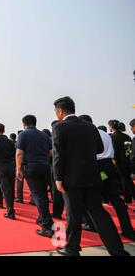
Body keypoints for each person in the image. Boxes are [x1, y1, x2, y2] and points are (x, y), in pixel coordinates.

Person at [52, 96, 129, 256]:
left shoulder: (60, 127)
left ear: (60, 111)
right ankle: (118, 251)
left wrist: (58, 178)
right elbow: (99, 148)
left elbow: (59, 156)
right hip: (92, 176)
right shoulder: (90, 127)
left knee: (73, 214)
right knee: (99, 213)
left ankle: (72, 248)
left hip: (71, 178)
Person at [79, 115, 135, 241]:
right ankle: (128, 230)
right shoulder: (105, 134)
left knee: (90, 199)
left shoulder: (87, 134)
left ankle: (94, 225)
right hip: (109, 166)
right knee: (116, 200)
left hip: (97, 168)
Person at [16, 115, 54, 237]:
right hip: (45, 166)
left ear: (24, 123)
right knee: (43, 195)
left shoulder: (23, 135)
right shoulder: (44, 135)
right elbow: (51, 152)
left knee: (38, 196)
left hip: (32, 167)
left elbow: (19, 153)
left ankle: (47, 226)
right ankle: (44, 218)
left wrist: (18, 169)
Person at [0, 124, 16, 220]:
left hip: (0, 166)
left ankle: (10, 211)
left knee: (5, 189)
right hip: (10, 166)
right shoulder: (10, 142)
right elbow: (14, 154)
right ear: (4, 130)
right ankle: (11, 208)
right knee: (11, 188)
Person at [109, 119, 134, 204]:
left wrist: (114, 160)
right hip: (128, 161)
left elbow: (114, 150)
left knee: (126, 181)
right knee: (127, 180)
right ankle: (128, 199)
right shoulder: (127, 136)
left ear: (111, 127)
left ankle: (127, 199)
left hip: (120, 162)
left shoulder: (113, 136)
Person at [46, 124, 64, 220]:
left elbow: (53, 154)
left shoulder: (53, 138)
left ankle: (57, 212)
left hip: (55, 165)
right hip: (68, 166)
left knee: (56, 191)